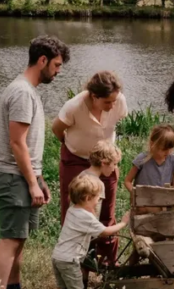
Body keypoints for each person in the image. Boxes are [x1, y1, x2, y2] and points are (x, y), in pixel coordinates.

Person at [0, 35, 70, 289]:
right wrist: (32, 183)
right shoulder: (22, 92)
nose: (58, 71)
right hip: (11, 176)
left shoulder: (28, 90)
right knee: (10, 239)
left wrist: (39, 179)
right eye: (57, 65)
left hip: (22, 175)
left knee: (19, 238)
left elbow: (27, 147)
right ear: (42, 60)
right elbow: (17, 142)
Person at [52, 71, 128, 266]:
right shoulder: (74, 106)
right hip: (76, 159)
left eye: (114, 100)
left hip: (105, 161)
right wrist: (71, 144)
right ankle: (78, 258)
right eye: (107, 102)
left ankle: (107, 260)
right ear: (94, 96)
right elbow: (57, 128)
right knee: (76, 207)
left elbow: (115, 122)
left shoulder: (118, 101)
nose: (113, 105)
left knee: (106, 209)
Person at [48, 172, 130, 289]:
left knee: (60, 287)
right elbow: (105, 231)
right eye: (97, 198)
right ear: (87, 198)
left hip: (58, 256)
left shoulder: (72, 210)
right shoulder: (85, 217)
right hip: (69, 260)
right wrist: (123, 223)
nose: (98, 202)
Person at [124, 124, 174, 193]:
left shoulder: (173, 162)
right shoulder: (142, 159)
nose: (168, 152)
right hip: (142, 202)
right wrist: (135, 194)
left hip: (164, 202)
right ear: (153, 144)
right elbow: (127, 181)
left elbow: (173, 185)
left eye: (170, 149)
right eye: (164, 149)